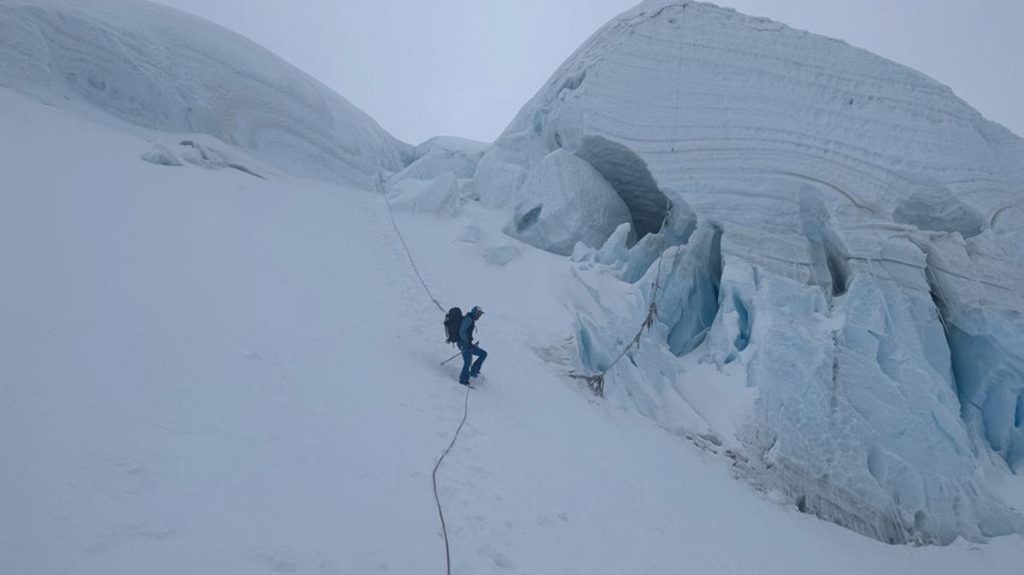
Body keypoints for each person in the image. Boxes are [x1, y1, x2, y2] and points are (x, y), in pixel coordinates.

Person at [457, 306, 487, 385]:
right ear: (475, 312)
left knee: (483, 354)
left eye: (480, 314)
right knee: (468, 361)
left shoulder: (471, 319)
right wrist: (467, 342)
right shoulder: (468, 319)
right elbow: (461, 332)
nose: (479, 316)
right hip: (462, 344)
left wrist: (470, 343)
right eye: (479, 314)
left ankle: (474, 372)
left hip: (467, 344)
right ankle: (463, 380)